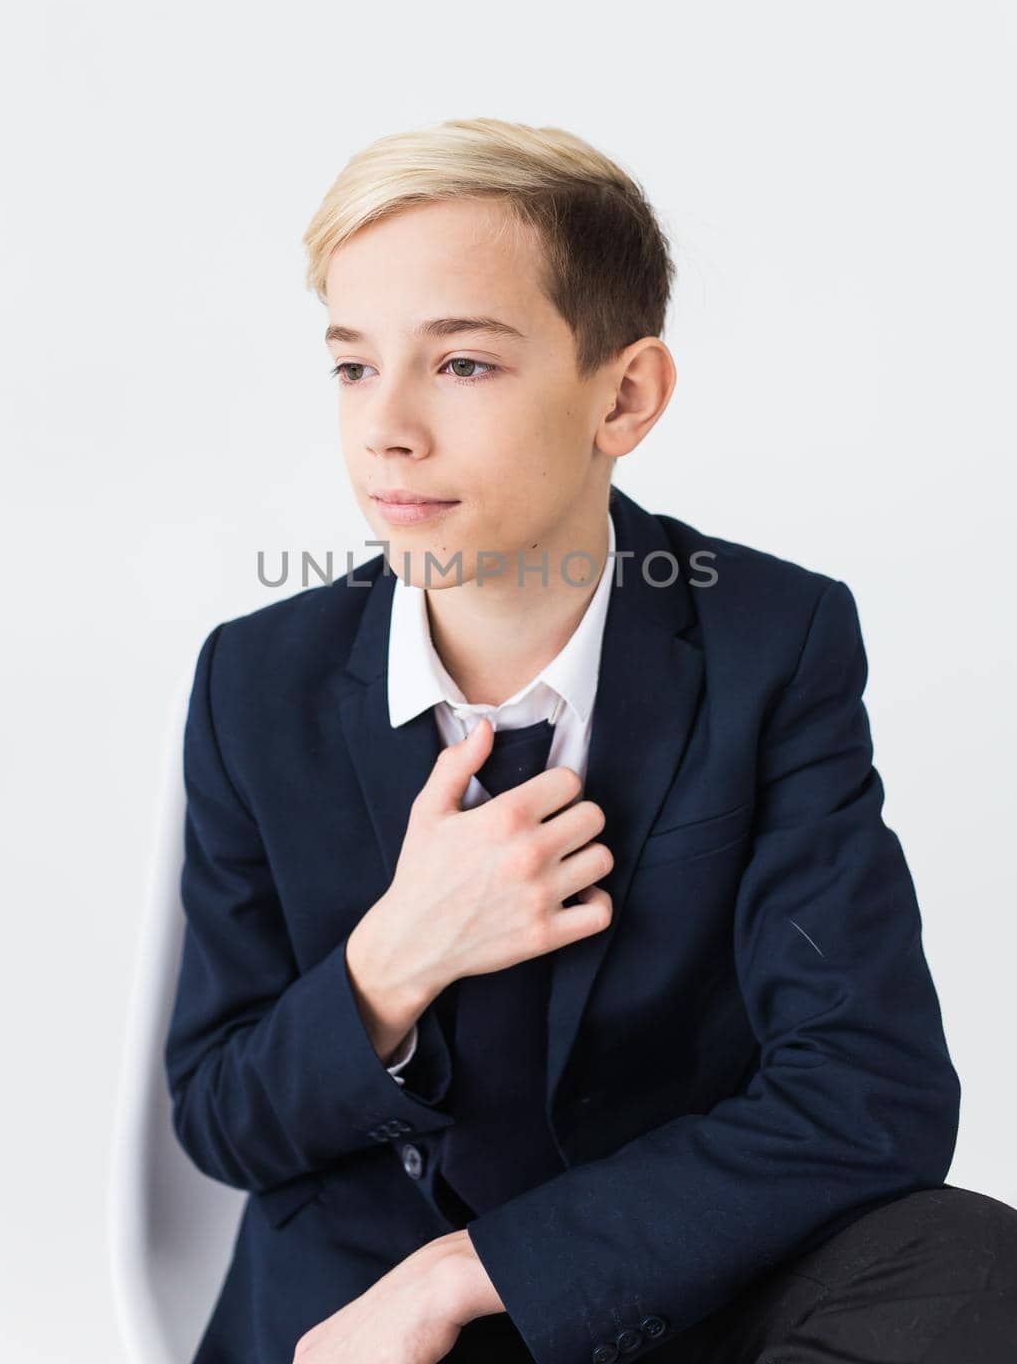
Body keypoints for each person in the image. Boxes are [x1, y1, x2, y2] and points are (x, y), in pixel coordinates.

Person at [163, 117, 1017, 1364]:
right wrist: (393, 961)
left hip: (661, 1282)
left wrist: (473, 1272)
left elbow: (866, 1092)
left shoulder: (772, 641)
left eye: (460, 365)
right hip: (366, 1314)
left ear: (624, 395)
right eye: (353, 366)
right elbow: (222, 1118)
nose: (386, 427)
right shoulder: (259, 679)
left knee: (961, 1266)